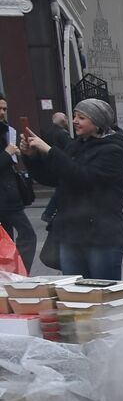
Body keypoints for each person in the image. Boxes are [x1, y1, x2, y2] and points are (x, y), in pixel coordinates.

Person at [19, 98, 123, 280]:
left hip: (101, 237)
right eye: (75, 116)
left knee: (104, 295)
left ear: (98, 121)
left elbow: (82, 178)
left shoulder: (113, 150)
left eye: (82, 117)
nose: (75, 121)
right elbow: (53, 177)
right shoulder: (76, 145)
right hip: (71, 235)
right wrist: (31, 157)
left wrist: (49, 150)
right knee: (74, 296)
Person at [0, 94, 37, 273]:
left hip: (10, 197)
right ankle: (19, 274)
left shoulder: (6, 130)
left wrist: (18, 153)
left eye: (4, 109)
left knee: (8, 240)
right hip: (6, 199)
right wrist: (7, 154)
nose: (2, 113)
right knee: (27, 234)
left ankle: (13, 273)